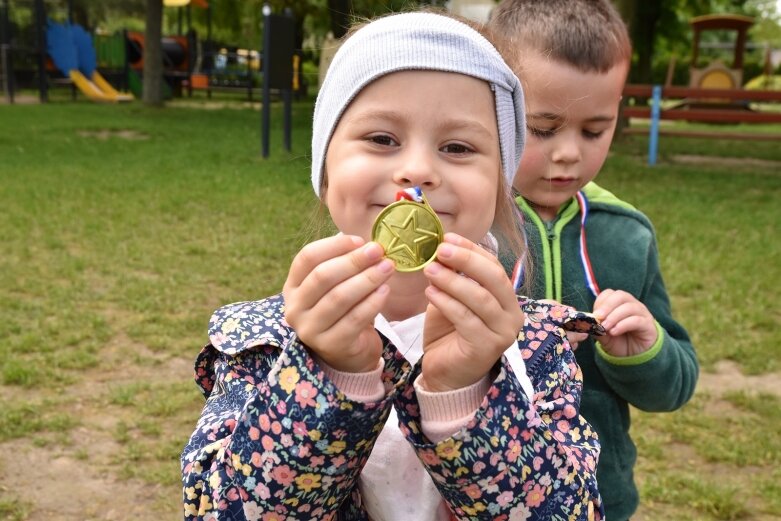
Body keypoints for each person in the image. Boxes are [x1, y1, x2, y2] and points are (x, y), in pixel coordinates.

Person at [181, 11, 606, 521]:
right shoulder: (262, 342)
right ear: (326, 170)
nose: (418, 171)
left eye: (458, 147)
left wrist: (467, 394)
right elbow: (220, 512)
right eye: (382, 139)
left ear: (499, 187)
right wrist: (327, 377)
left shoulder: (538, 345)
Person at [487, 1, 700, 520]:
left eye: (593, 130)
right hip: (474, 494)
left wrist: (643, 350)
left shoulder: (626, 235)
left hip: (600, 498)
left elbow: (675, 384)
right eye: (543, 128)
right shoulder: (458, 228)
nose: (568, 154)